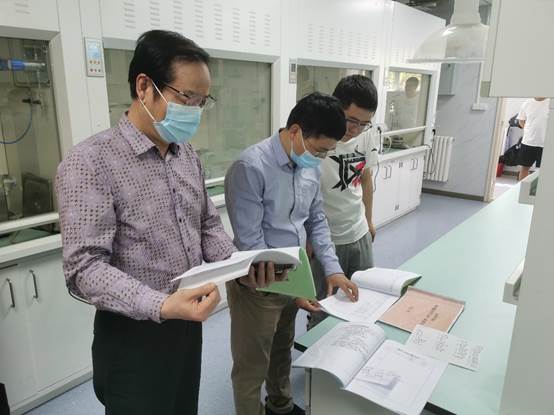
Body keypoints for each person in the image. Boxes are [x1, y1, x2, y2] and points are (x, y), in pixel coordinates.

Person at [55, 30, 237, 415]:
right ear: (144, 87)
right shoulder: (90, 161)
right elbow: (84, 268)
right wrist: (161, 305)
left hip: (187, 324)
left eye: (202, 102)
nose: (195, 111)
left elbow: (207, 224)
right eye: (187, 98)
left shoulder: (186, 155)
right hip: (131, 334)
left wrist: (240, 265)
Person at [224, 92, 359, 415]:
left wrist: (333, 270)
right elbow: (251, 243)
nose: (321, 158)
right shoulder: (250, 166)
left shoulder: (310, 166)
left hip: (292, 274)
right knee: (252, 365)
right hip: (257, 283)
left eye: (327, 152)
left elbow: (316, 220)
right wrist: (292, 288)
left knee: (282, 348)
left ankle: (281, 405)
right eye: (319, 150)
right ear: (296, 131)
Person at [308, 75, 379, 329]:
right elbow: (303, 193)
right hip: (325, 241)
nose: (356, 130)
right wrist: (309, 238)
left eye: (364, 124)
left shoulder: (367, 137)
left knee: (362, 302)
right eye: (351, 120)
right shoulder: (317, 137)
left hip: (359, 234)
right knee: (322, 308)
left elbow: (366, 179)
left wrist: (369, 221)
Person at [517, 97, 551, 180]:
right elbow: (521, 121)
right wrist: (528, 130)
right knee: (524, 168)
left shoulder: (550, 102)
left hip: (545, 144)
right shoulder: (527, 103)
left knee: (543, 171)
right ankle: (522, 188)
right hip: (528, 142)